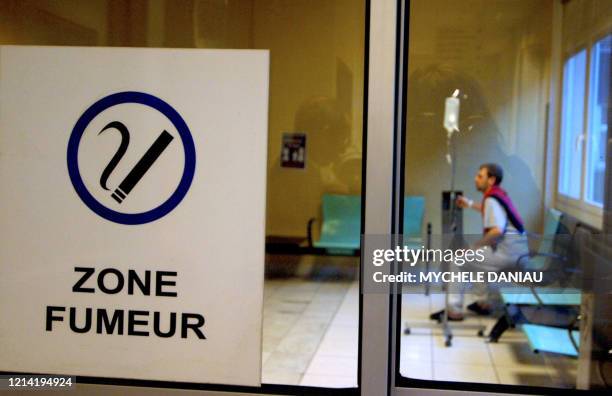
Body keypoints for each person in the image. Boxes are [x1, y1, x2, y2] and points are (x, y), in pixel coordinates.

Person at [430, 163, 529, 321]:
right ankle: (483, 303)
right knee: (479, 257)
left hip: (507, 254)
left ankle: (453, 310)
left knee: (459, 259)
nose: (475, 179)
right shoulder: (498, 195)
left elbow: (497, 230)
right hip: (517, 253)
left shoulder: (492, 199)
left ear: (491, 180)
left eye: (480, 176)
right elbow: (488, 210)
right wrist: (469, 204)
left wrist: (473, 248)